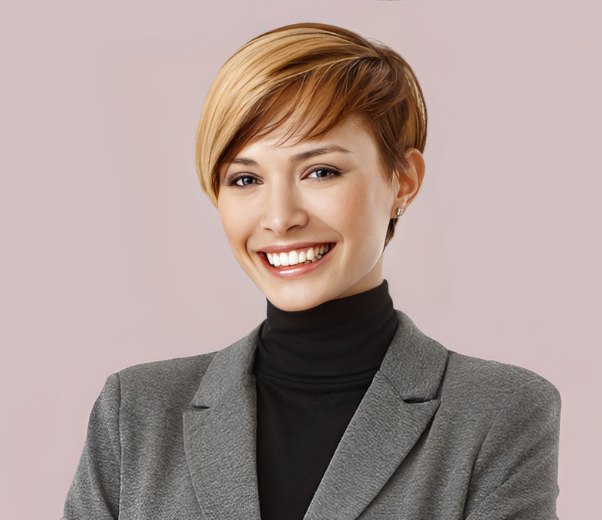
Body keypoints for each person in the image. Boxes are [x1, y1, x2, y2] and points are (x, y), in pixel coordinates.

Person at [63, 22, 561, 520]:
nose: (279, 217)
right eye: (245, 178)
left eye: (320, 171)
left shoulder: (497, 413)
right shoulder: (136, 413)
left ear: (403, 182)